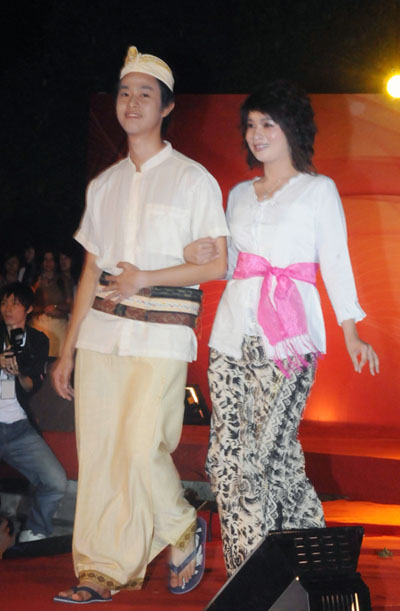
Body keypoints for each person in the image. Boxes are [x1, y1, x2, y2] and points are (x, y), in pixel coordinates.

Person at [52, 46, 228, 604]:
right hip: (102, 335)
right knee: (101, 453)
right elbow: (90, 272)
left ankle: (181, 524)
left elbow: (218, 264)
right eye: (125, 92)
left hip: (161, 336)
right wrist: (68, 350)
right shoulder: (103, 185)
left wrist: (146, 277)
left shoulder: (193, 180)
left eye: (145, 94)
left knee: (141, 447)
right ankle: (100, 570)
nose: (131, 103)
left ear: (167, 106)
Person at [184, 80, 379, 576]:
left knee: (260, 458)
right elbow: (228, 264)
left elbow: (335, 261)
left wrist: (351, 331)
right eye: (250, 125)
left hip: (289, 340)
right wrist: (199, 254)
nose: (256, 133)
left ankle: (255, 578)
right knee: (232, 459)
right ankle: (313, 566)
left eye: (267, 123)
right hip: (231, 337)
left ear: (292, 127)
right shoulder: (238, 195)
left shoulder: (318, 190)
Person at [0, 283, 67, 542]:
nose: (8, 308)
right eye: (4, 302)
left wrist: (18, 373)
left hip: (18, 426)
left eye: (15, 303)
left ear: (28, 309)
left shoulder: (38, 340)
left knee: (56, 481)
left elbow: (32, 386)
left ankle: (34, 533)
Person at [30, 251, 71, 357]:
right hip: (39, 326)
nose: (48, 263)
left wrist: (56, 307)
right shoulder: (35, 280)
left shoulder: (63, 280)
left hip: (59, 327)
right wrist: (36, 286)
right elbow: (27, 305)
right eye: (45, 259)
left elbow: (70, 305)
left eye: (51, 260)